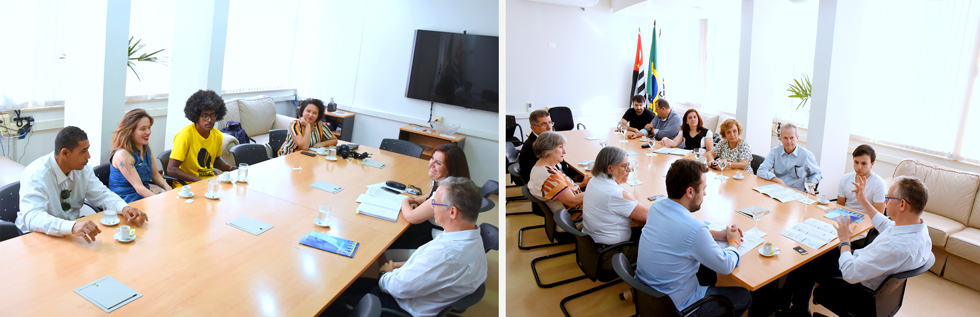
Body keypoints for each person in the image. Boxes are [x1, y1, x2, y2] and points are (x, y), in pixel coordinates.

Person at [324, 177, 487, 317]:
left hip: (395, 306)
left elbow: (396, 288)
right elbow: (425, 268)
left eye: (436, 203)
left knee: (330, 295)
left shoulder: (445, 254)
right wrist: (395, 267)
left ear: (452, 212)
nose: (432, 207)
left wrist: (384, 273)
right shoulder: (472, 236)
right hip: (419, 295)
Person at [782, 176, 932, 316]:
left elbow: (850, 273)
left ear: (902, 204)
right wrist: (863, 200)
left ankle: (798, 311)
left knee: (810, 259)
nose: (885, 201)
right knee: (821, 249)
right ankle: (784, 298)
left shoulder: (896, 247)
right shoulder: (918, 229)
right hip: (868, 268)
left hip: (856, 287)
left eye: (888, 197)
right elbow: (885, 224)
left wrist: (845, 241)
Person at [635, 159, 752, 317]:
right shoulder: (694, 229)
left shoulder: (657, 206)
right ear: (690, 192)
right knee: (745, 296)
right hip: (676, 307)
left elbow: (680, 231)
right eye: (703, 188)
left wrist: (716, 235)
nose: (704, 193)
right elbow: (726, 265)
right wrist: (734, 241)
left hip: (648, 297)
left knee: (706, 271)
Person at [16, 126, 149, 243]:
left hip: (69, 234)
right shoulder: (36, 174)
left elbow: (102, 194)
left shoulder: (83, 169)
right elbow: (33, 218)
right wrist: (72, 226)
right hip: (35, 237)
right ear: (65, 153)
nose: (89, 156)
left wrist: (124, 208)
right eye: (83, 151)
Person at [392, 143, 470, 249]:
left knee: (390, 239)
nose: (430, 164)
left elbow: (411, 217)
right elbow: (429, 195)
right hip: (430, 228)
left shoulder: (446, 194)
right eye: (432, 158)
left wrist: (405, 201)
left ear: (451, 169)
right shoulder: (446, 181)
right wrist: (417, 200)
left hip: (435, 241)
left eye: (438, 163)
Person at [582, 146, 648, 265]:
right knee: (663, 251)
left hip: (594, 246)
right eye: (624, 166)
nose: (629, 170)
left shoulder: (595, 180)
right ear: (610, 168)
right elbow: (648, 216)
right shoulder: (613, 193)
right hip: (611, 253)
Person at [168, 89, 236, 187]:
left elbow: (215, 160)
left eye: (213, 115)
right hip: (187, 184)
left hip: (209, 182)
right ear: (196, 116)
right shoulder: (185, 135)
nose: (210, 120)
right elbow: (171, 169)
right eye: (205, 116)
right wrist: (196, 179)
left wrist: (231, 168)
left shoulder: (217, 135)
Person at [107, 109, 172, 203]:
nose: (148, 132)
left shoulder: (145, 146)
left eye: (149, 127)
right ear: (130, 132)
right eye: (143, 129)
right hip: (125, 203)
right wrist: (160, 201)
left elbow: (155, 174)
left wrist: (169, 189)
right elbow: (139, 188)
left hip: (143, 198)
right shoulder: (123, 155)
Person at [528, 131, 591, 213]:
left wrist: (582, 184)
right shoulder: (549, 176)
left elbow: (562, 190)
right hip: (577, 215)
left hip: (577, 209)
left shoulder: (541, 166)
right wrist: (597, 190)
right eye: (560, 147)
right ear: (549, 150)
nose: (564, 151)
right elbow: (573, 201)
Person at [518, 109, 579, 183]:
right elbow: (550, 174)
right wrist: (574, 181)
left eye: (550, 123)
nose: (549, 127)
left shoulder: (546, 140)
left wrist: (574, 175)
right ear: (533, 128)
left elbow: (560, 165)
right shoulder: (534, 147)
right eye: (544, 124)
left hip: (561, 177)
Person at [756, 124, 821, 192]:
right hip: (777, 190)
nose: (789, 142)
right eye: (785, 138)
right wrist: (777, 180)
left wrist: (811, 186)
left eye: (792, 138)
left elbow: (817, 173)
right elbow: (761, 170)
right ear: (781, 139)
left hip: (796, 193)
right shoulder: (775, 152)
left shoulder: (806, 155)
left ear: (797, 138)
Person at [837, 144, 886, 213]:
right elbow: (839, 206)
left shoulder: (879, 183)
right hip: (845, 217)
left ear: (872, 163)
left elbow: (879, 215)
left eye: (864, 163)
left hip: (867, 220)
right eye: (856, 162)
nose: (859, 167)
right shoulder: (845, 179)